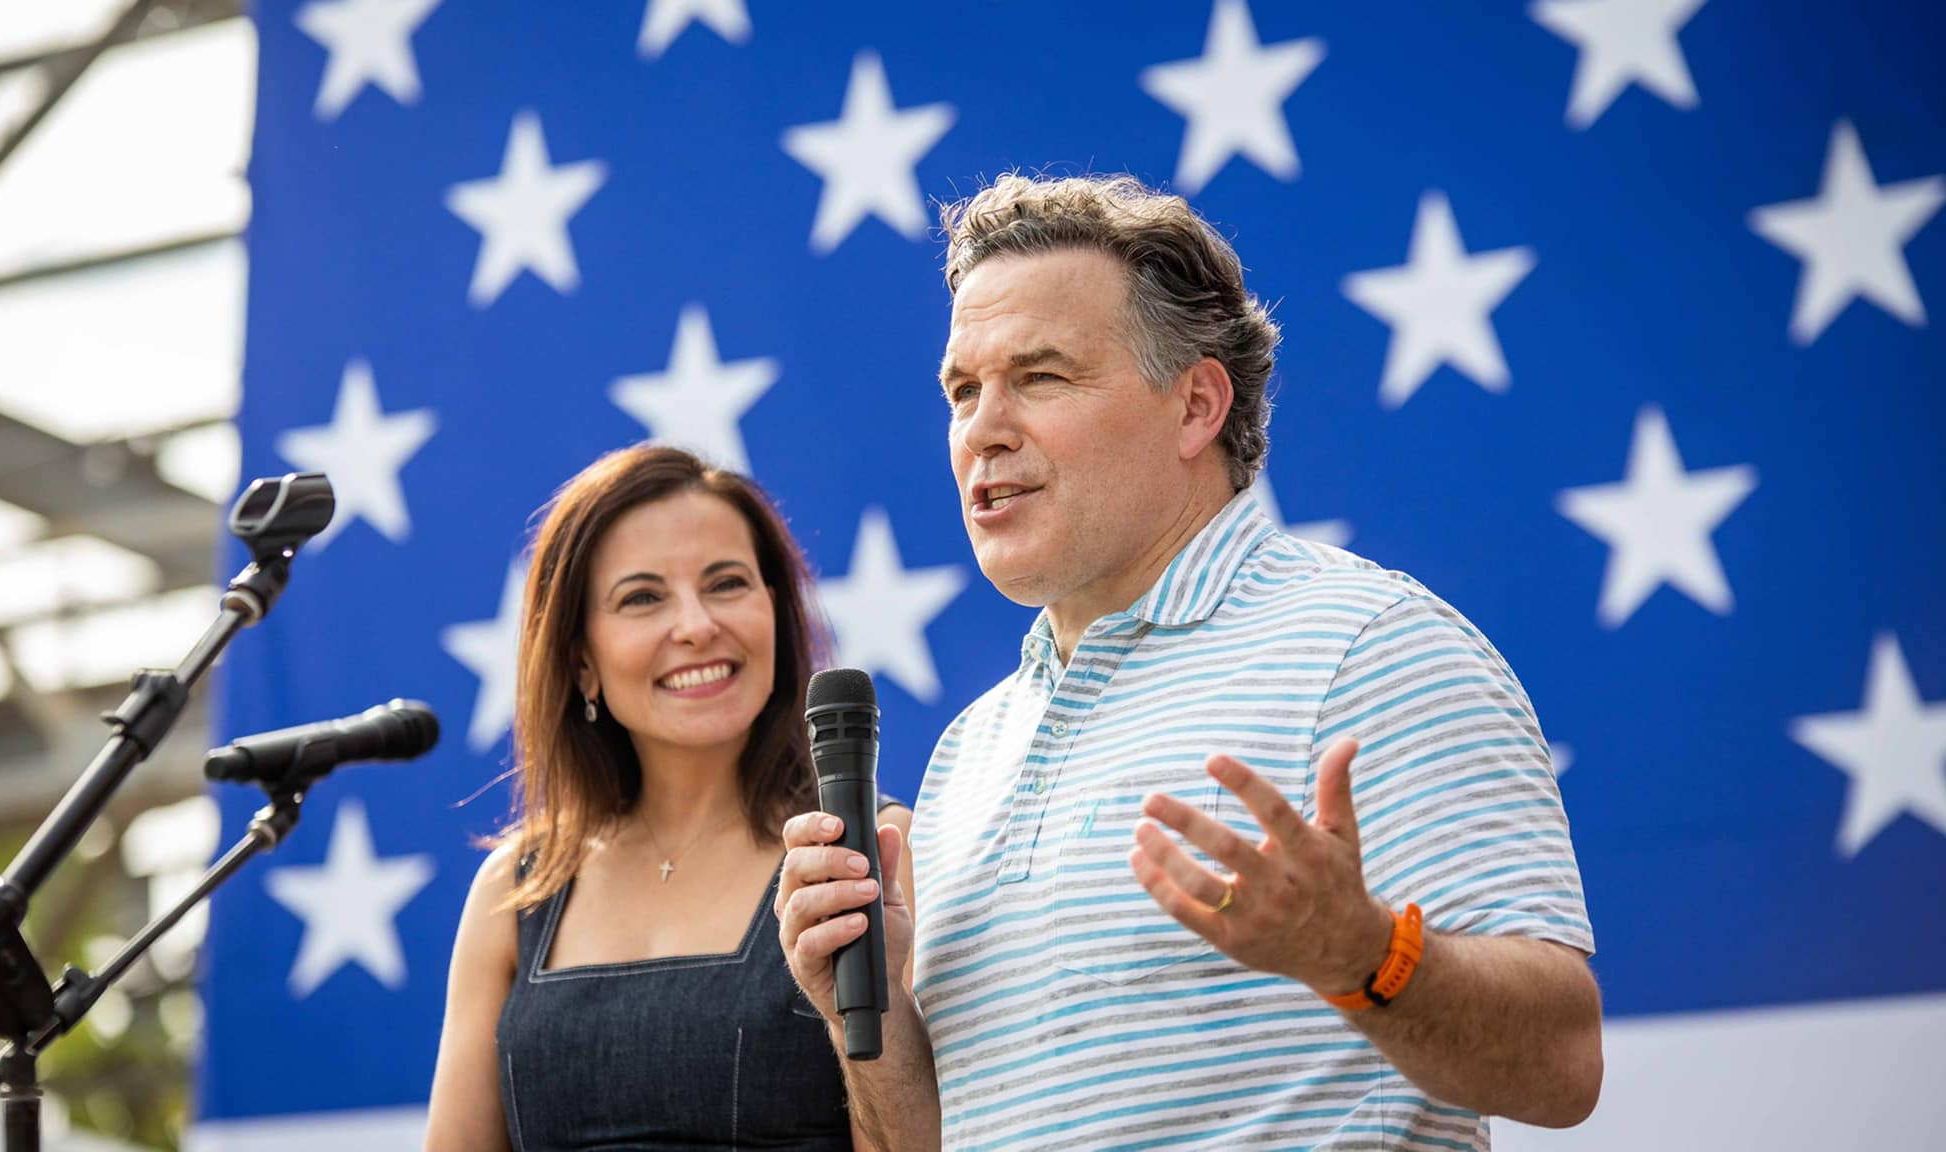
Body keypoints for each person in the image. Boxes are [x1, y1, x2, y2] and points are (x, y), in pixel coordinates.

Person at [776, 174, 1602, 1150]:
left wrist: (1363, 955)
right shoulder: (968, 752)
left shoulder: (1367, 645)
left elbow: (1561, 1066)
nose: (982, 430)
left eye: (1040, 377)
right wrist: (866, 1018)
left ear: (1196, 405)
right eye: (962, 390)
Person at [425, 445, 914, 1151]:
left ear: (776, 613)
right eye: (643, 598)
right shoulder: (516, 889)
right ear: (581, 661)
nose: (695, 625)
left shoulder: (872, 853)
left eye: (727, 583)